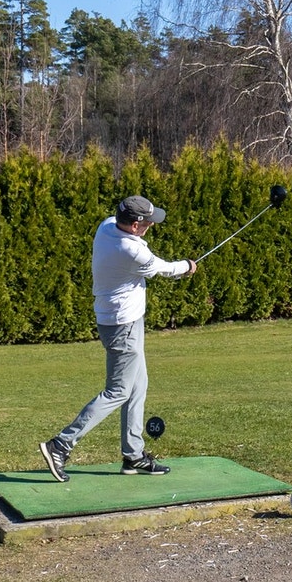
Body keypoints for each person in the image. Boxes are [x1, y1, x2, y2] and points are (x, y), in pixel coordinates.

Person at [39, 195, 196, 481]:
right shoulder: (130, 250)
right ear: (135, 225)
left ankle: (133, 455)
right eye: (147, 222)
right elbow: (163, 268)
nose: (151, 225)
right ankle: (60, 444)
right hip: (122, 326)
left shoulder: (107, 226)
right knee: (118, 391)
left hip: (124, 323)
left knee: (138, 386)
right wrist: (187, 266)